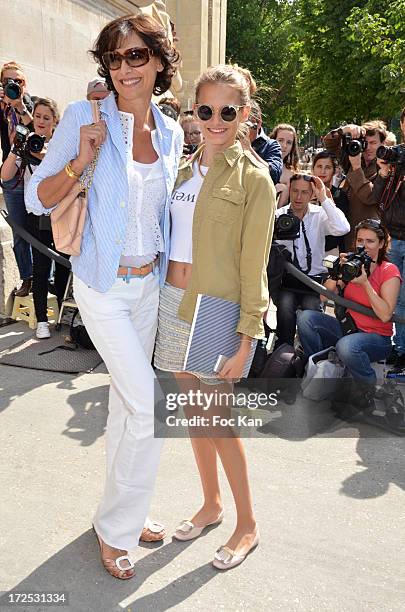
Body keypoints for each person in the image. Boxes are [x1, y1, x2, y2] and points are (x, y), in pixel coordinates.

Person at [25, 13, 183, 580]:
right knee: (147, 403)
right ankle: (116, 530)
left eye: (136, 56)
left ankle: (126, 508)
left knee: (127, 405)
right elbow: (38, 198)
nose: (123, 69)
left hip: (149, 287)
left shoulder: (171, 133)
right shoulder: (81, 117)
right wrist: (79, 160)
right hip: (101, 284)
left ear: (160, 62)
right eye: (113, 59)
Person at [154, 64, 275, 569]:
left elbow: (256, 266)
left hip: (216, 310)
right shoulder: (181, 168)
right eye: (207, 110)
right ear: (195, 112)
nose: (217, 120)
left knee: (218, 419)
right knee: (192, 414)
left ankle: (247, 524)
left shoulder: (256, 180)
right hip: (171, 301)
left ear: (245, 114)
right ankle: (211, 503)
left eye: (229, 110)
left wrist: (247, 336)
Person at [298, 220, 400, 387]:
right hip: (348, 328)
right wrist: (337, 272)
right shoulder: (353, 264)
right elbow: (323, 298)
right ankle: (323, 370)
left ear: (381, 243)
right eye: (360, 240)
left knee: (346, 346)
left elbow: (385, 315)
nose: (364, 246)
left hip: (377, 337)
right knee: (305, 318)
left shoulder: (389, 270)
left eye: (370, 241)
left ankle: (369, 389)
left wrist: (365, 283)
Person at [1, 97, 70, 339]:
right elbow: (6, 175)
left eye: (46, 118)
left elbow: (62, 169)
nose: (40, 121)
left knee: (63, 268)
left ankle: (63, 315)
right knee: (40, 268)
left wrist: (38, 154)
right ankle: (42, 320)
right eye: (37, 116)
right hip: (37, 216)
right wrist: (16, 151)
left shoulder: (61, 147)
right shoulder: (28, 143)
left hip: (62, 217)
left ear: (55, 122)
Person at [274, 173, 350, 348]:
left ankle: (310, 356)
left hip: (314, 282)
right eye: (295, 191)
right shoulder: (278, 216)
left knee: (310, 308)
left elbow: (343, 228)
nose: (299, 197)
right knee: (285, 306)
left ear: (312, 194)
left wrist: (324, 197)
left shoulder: (319, 214)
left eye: (305, 192)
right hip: (287, 281)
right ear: (289, 191)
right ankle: (283, 355)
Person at [323, 120, 387, 249]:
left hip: (371, 237)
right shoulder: (354, 155)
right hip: (348, 233)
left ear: (382, 144)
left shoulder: (386, 166)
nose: (368, 147)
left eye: (373, 143)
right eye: (365, 143)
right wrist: (345, 130)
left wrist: (356, 167)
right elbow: (329, 143)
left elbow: (371, 197)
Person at [371, 139, 405, 371]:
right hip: (392, 236)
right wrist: (383, 171)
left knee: (404, 299)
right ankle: (399, 347)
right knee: (392, 297)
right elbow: (377, 198)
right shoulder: (397, 155)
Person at [0, 61, 33, 296]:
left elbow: (33, 125)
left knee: (42, 232)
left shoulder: (31, 103)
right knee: (19, 232)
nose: (14, 85)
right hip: (11, 177)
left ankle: (45, 278)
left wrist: (19, 105)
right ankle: (26, 279)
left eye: (18, 81)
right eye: (8, 81)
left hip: (33, 175)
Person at [312, 150, 350, 254]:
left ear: (334, 171)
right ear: (313, 168)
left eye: (327, 167)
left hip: (330, 251)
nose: (322, 171)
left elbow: (341, 229)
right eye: (319, 166)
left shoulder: (340, 195)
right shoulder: (303, 192)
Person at [246, 100, 282, 185]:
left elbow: (274, 175)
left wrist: (248, 149)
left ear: (258, 123)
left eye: (245, 125)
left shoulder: (271, 145)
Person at [270, 123, 300, 207]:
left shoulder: (291, 173)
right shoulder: (261, 162)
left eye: (289, 142)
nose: (284, 146)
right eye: (280, 140)